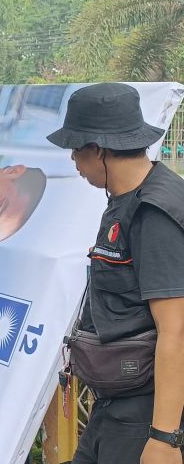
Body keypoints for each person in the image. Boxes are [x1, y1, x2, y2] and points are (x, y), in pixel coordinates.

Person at [47, 83, 184, 464]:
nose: (73, 159)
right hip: (116, 403)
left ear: (100, 149)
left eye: (77, 148)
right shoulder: (124, 199)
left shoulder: (155, 214)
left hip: (146, 412)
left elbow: (177, 329)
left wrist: (164, 438)